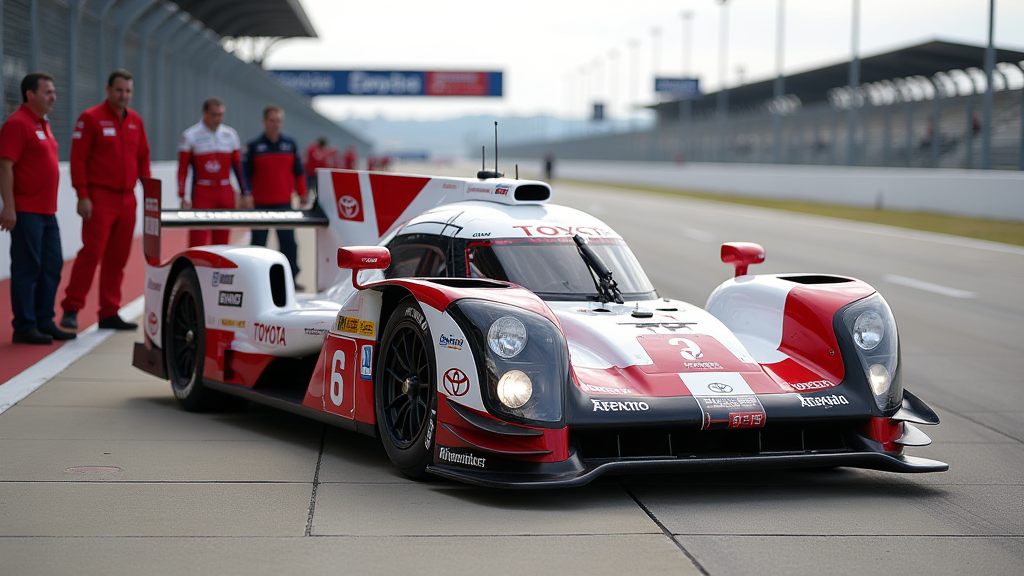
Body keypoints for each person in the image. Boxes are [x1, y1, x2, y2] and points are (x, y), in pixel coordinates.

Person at [60, 69, 151, 331]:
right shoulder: (90, 118)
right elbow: (78, 159)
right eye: (119, 90)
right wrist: (83, 195)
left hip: (127, 198)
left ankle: (109, 311)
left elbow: (144, 156)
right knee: (92, 253)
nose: (124, 96)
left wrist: (148, 192)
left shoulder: (135, 120)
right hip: (99, 197)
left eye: (128, 91)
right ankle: (71, 307)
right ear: (108, 90)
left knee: (118, 257)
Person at [0, 73, 76, 344]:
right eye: (48, 92)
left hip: (46, 211)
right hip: (26, 211)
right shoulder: (17, 124)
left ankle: (45, 320)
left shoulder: (43, 123)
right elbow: (5, 166)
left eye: (53, 91)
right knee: (27, 267)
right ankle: (25, 325)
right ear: (30, 95)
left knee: (51, 266)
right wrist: (9, 206)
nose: (53, 96)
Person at [243, 105, 306, 288]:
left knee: (289, 245)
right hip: (260, 204)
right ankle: (255, 281)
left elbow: (299, 172)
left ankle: (290, 281)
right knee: (258, 245)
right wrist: (246, 194)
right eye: (272, 120)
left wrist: (302, 194)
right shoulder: (254, 146)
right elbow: (245, 174)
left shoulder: (290, 144)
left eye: (278, 120)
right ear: (264, 122)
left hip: (284, 203)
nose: (276, 124)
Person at [178, 96, 246, 247]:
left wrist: (244, 192)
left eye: (220, 115)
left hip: (225, 190)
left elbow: (238, 168)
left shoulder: (230, 135)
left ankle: (219, 270)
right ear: (205, 114)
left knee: (222, 242)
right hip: (202, 192)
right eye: (214, 114)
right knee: (198, 240)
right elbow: (182, 169)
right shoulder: (190, 135)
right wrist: (182, 194)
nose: (217, 118)